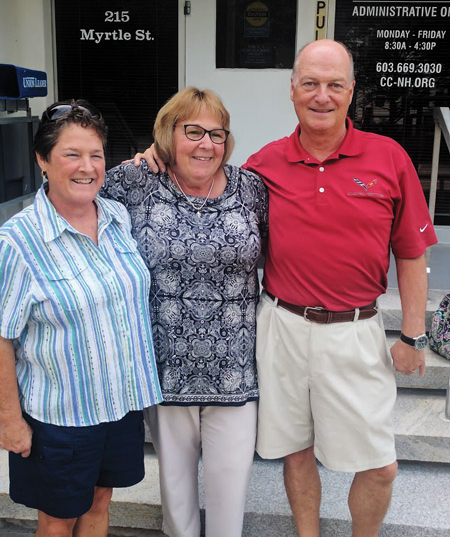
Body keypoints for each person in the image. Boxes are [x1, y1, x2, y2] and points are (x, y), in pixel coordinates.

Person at [138, 40, 438, 537]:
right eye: (311, 84)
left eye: (334, 85)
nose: (322, 96)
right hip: (280, 327)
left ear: (351, 91)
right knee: (295, 452)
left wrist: (412, 334)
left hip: (356, 331)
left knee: (380, 463)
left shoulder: (389, 157)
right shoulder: (263, 166)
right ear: (293, 89)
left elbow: (412, 251)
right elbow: (204, 185)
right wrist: (161, 155)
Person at [101, 87, 268, 537]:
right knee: (176, 500)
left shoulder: (250, 187)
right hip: (163, 366)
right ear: (167, 135)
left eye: (217, 134)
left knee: (229, 500)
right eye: (193, 131)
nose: (206, 144)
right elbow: (67, 188)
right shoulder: (133, 182)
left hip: (235, 369)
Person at [0, 100, 162, 537]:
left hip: (118, 404)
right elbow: (1, 336)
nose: (87, 167)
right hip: (60, 416)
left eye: (96, 155)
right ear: (42, 160)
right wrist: (8, 420)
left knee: (99, 501)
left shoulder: (116, 217)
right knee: (58, 519)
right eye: (72, 154)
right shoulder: (18, 241)